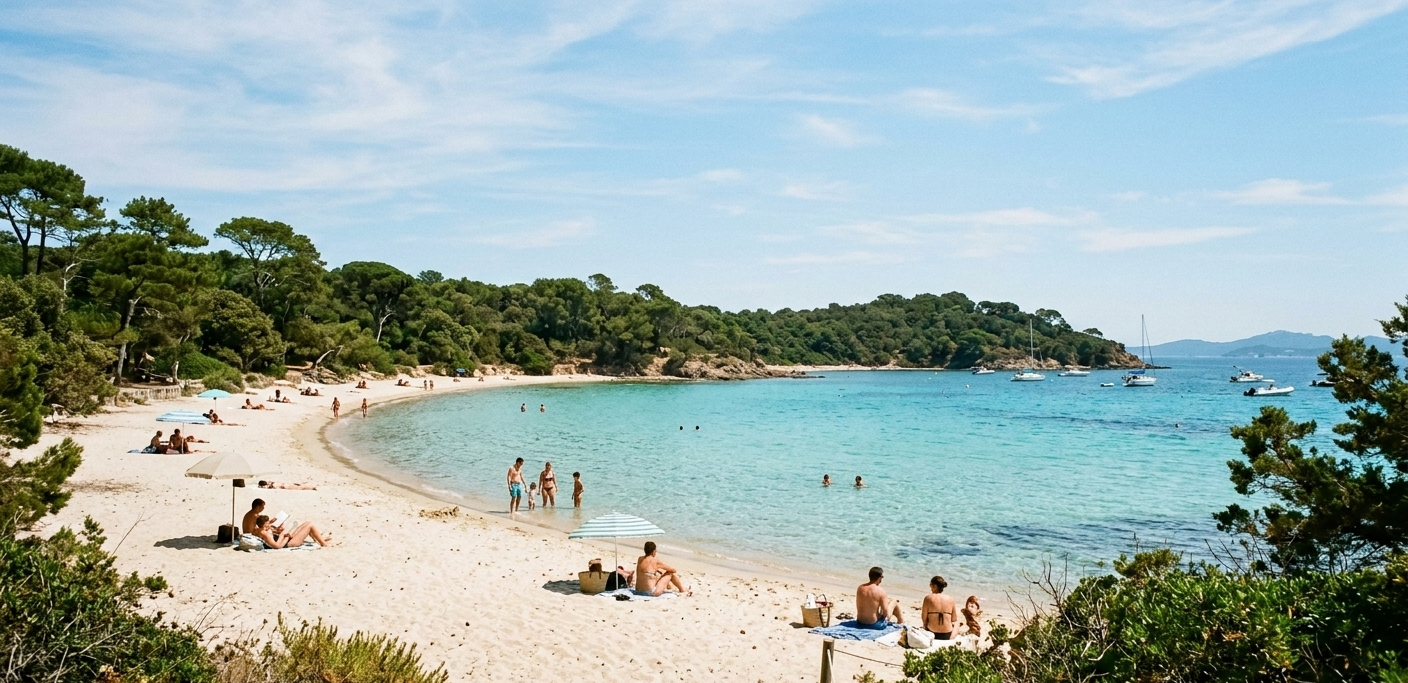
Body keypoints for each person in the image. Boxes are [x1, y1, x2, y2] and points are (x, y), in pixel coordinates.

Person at [253, 514, 333, 548]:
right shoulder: (264, 533)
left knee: (307, 523)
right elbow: (277, 546)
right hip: (288, 543)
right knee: (310, 525)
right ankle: (324, 544)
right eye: (267, 523)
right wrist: (283, 536)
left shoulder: (261, 530)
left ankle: (320, 538)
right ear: (264, 524)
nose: (269, 524)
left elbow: (274, 533)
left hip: (287, 539)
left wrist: (282, 533)